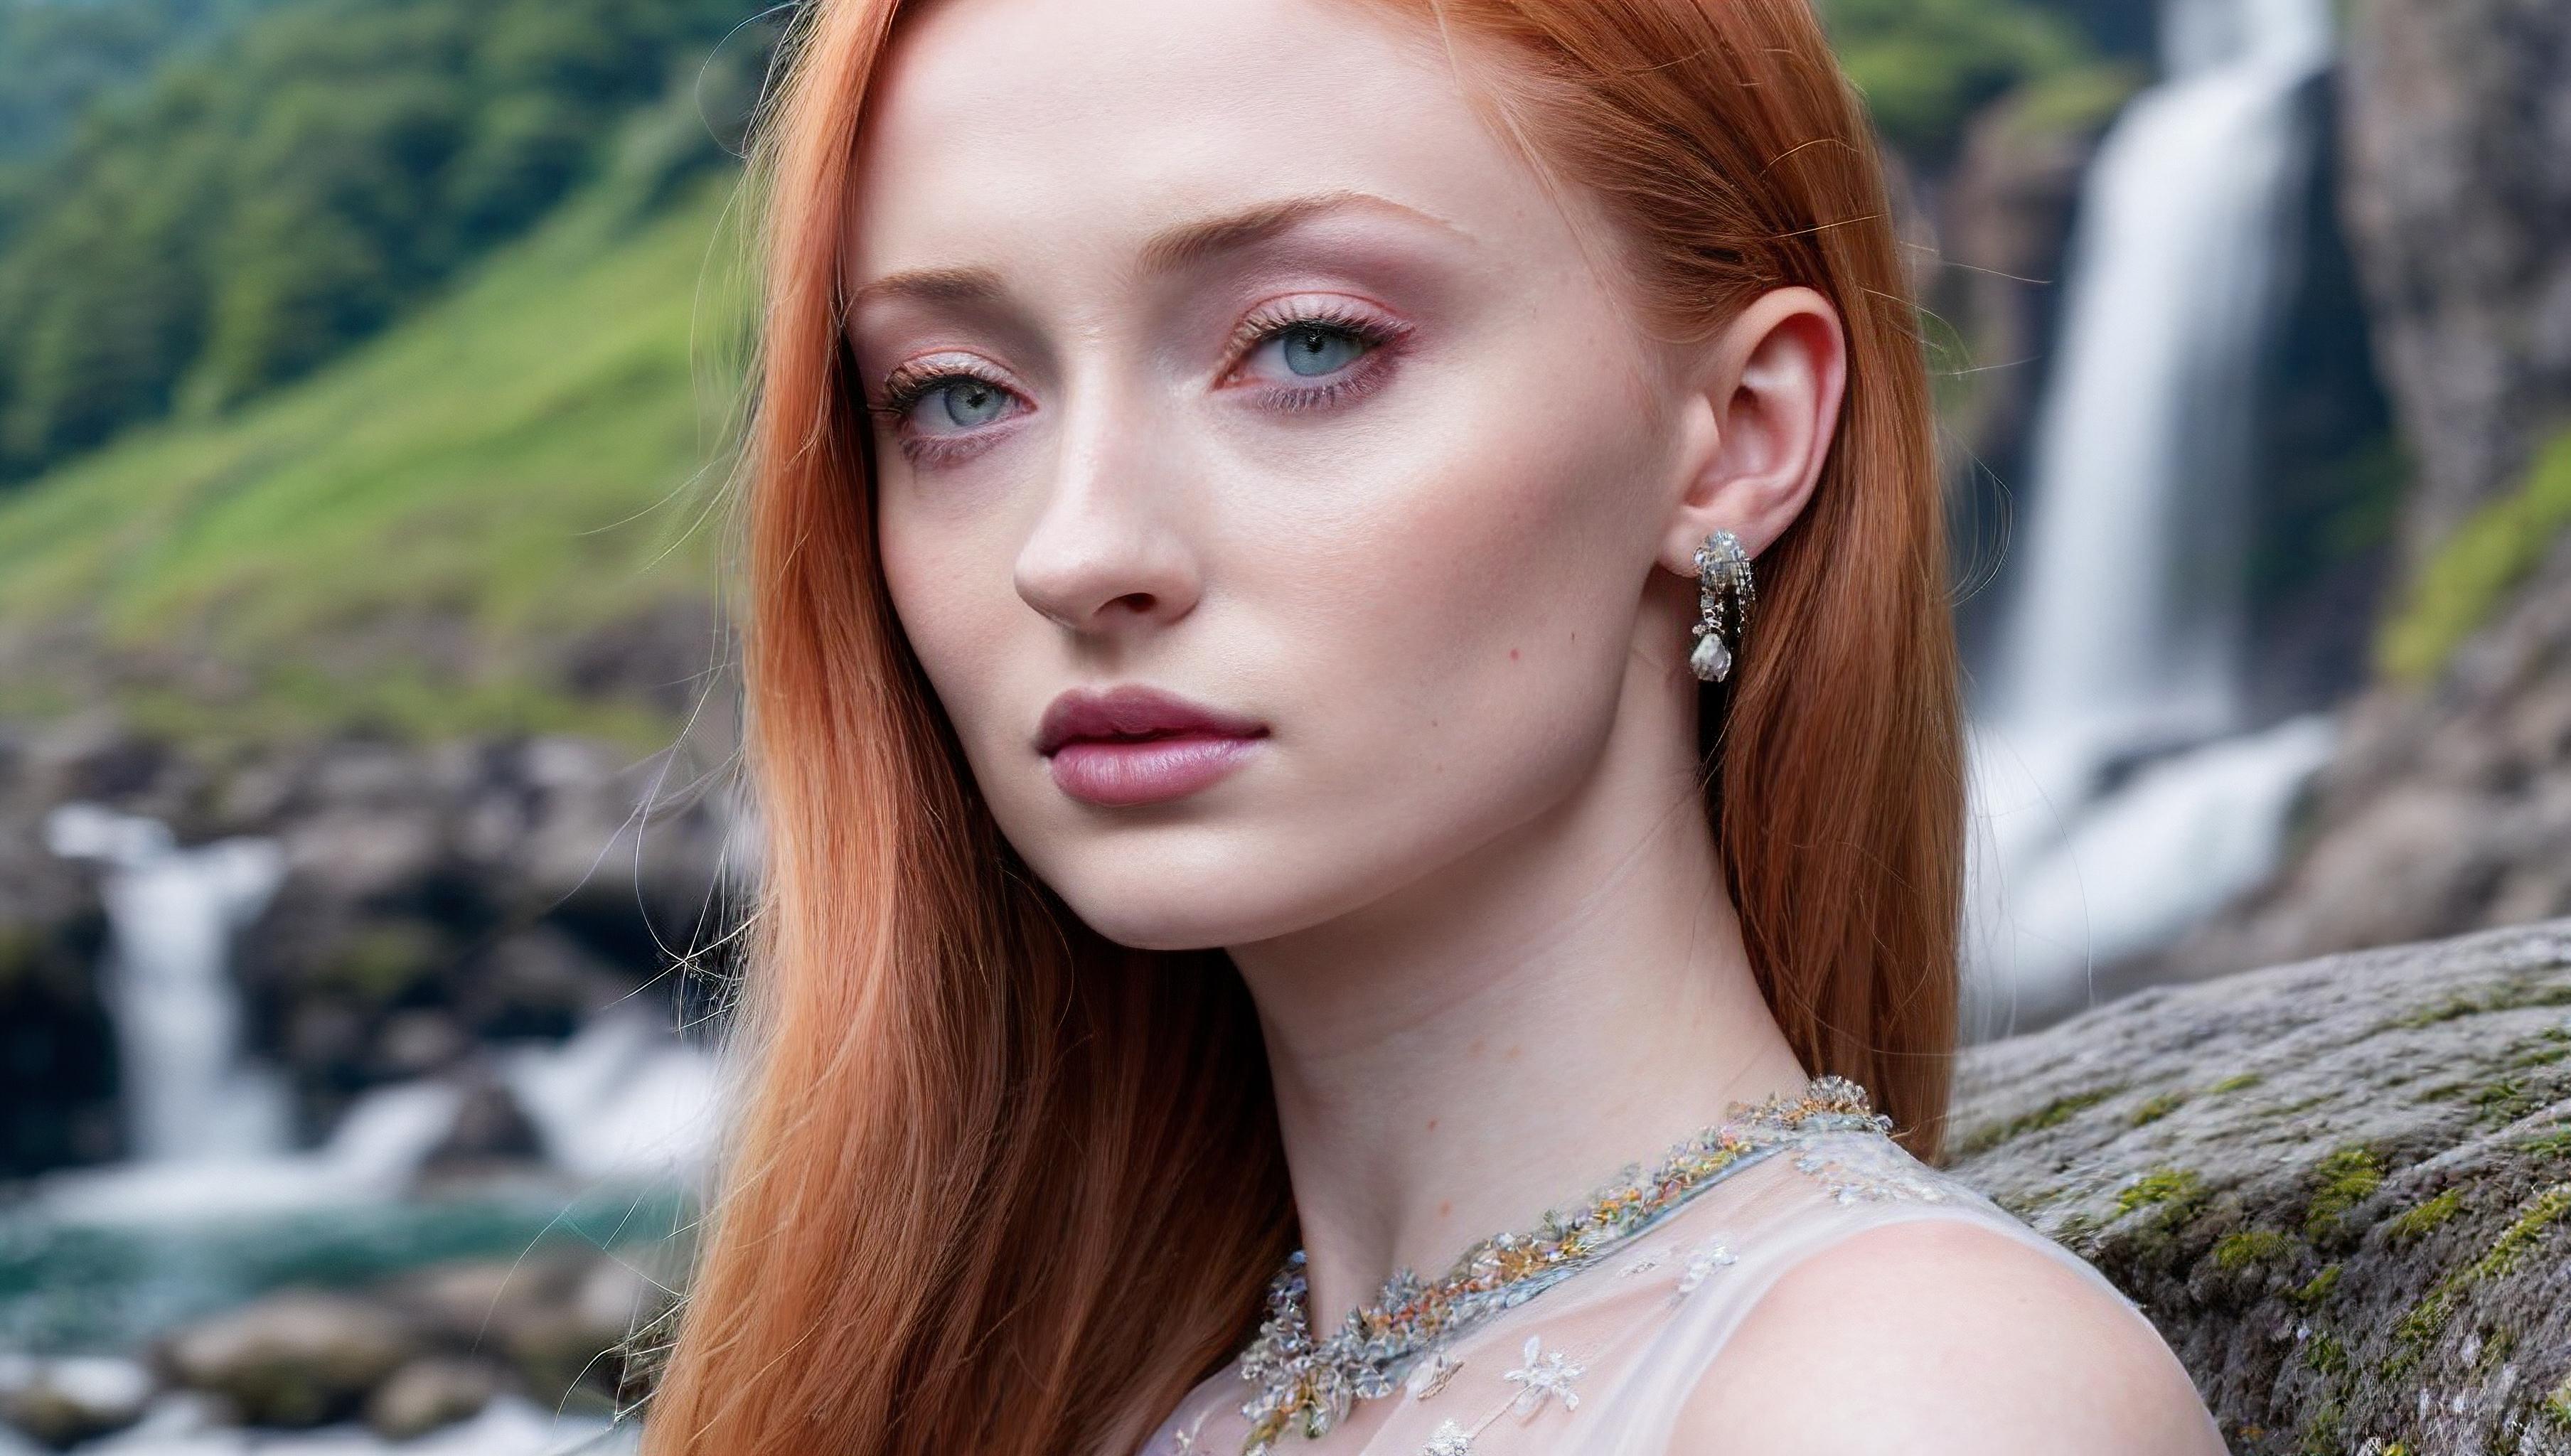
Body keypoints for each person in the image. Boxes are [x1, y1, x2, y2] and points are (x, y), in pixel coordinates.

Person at [640, 0, 2229, 1452]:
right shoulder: (1097, 1400)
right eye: (957, 394)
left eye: (1309, 345)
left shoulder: (1907, 1396)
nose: (1076, 550)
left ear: (1735, 439)